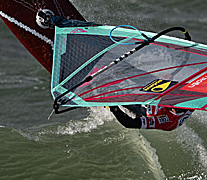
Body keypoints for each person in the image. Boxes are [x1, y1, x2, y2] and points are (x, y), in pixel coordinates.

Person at [37, 9, 193, 132]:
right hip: (151, 90)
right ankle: (71, 27)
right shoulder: (185, 91)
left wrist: (112, 106)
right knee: (123, 63)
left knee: (115, 92)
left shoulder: (168, 121)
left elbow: (129, 123)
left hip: (140, 107)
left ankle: (57, 24)